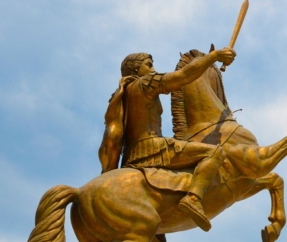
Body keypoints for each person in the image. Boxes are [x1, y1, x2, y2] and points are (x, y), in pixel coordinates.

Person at [98, 46, 236, 231]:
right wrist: (214, 56)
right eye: (149, 65)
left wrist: (109, 170)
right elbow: (183, 77)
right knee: (215, 152)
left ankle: (158, 225)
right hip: (153, 148)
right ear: (136, 69)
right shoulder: (146, 83)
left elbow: (112, 137)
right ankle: (194, 198)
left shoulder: (120, 94)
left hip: (130, 158)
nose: (153, 69)